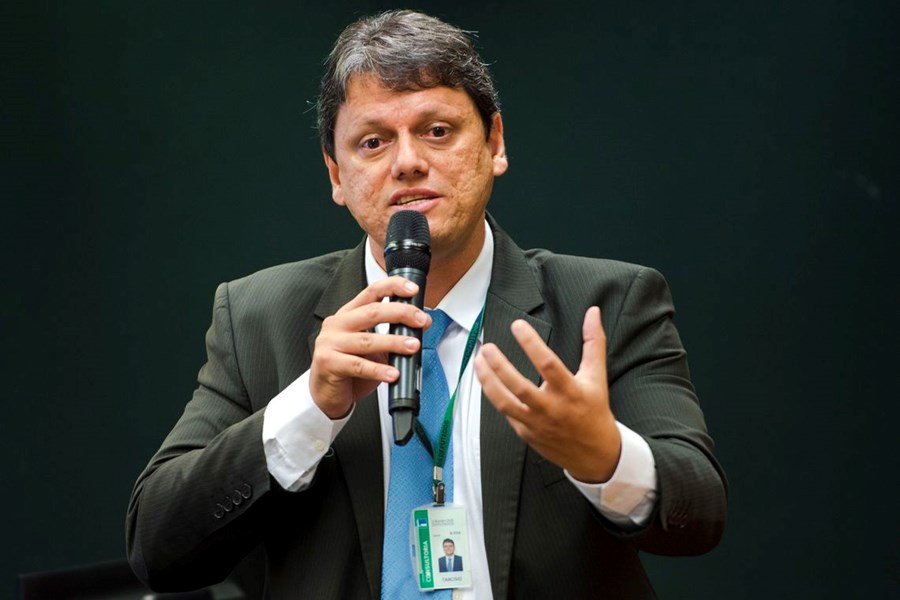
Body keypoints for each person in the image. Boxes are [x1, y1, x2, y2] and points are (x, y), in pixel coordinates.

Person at [126, 9, 727, 599]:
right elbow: (157, 550)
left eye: (437, 131)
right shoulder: (258, 318)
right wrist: (309, 406)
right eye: (373, 142)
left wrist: (605, 457)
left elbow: (700, 514)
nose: (408, 161)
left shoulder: (608, 303)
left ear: (494, 143)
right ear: (336, 175)